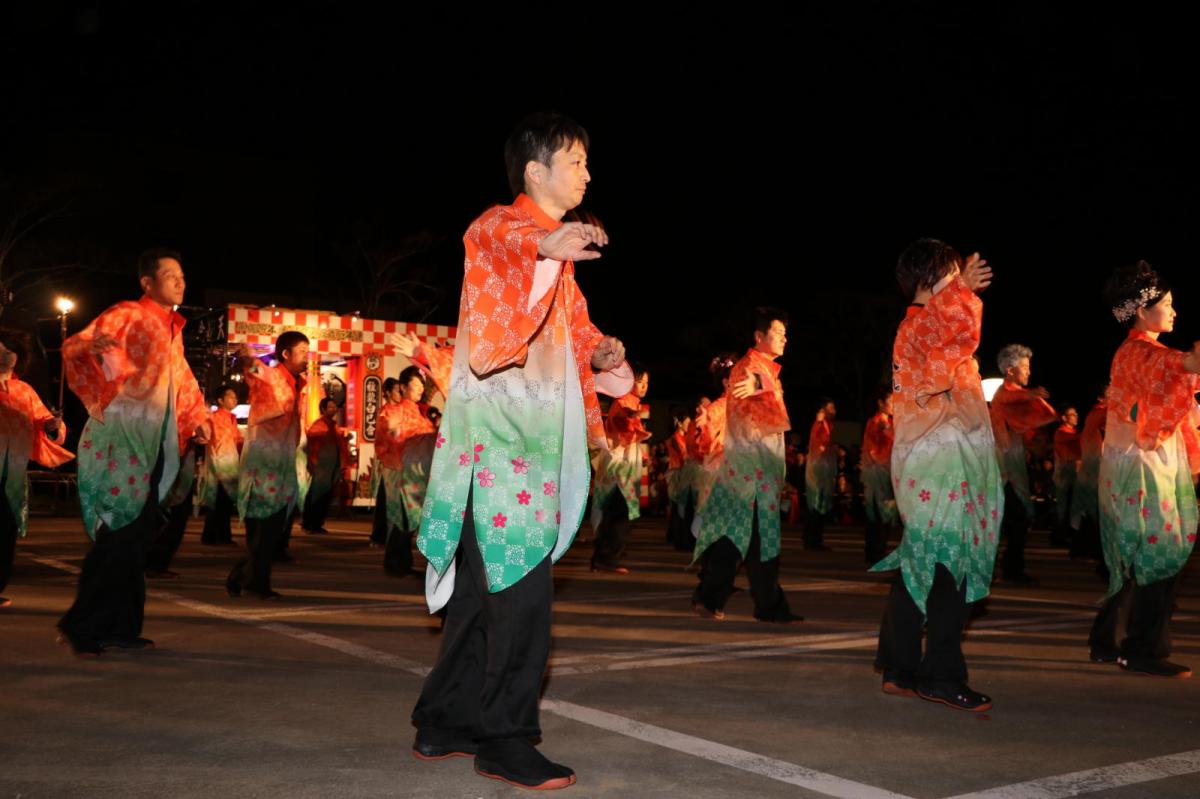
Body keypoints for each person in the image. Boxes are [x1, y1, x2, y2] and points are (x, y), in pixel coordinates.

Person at [410, 112, 629, 790]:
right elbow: (506, 241)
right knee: (523, 596)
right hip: (501, 445)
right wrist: (549, 241)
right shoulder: (499, 228)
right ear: (535, 171)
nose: (588, 173)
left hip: (525, 445)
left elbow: (575, 328)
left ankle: (444, 717)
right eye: (576, 160)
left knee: (483, 592)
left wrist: (601, 352)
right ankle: (505, 736)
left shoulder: (552, 257)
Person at [57, 249, 209, 656]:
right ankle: (82, 622)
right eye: (170, 274)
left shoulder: (172, 329)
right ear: (147, 283)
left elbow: (183, 380)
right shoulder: (127, 313)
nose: (180, 280)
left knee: (137, 534)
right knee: (121, 533)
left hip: (155, 440)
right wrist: (96, 347)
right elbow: (77, 347)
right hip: (123, 436)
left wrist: (198, 417)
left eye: (182, 274)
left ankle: (121, 625)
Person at [872, 238, 1001, 712]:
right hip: (940, 461)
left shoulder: (924, 326)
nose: (957, 285)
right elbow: (938, 340)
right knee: (950, 564)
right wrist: (961, 291)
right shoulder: (919, 326)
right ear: (930, 280)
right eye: (948, 276)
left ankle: (900, 666)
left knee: (922, 559)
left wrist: (958, 293)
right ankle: (940, 676)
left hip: (937, 460)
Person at [1088, 260, 1200, 679]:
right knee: (1161, 553)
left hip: (1135, 462)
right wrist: (1190, 365)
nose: (1174, 312)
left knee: (1132, 556)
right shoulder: (1140, 351)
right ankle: (1142, 649)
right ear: (1141, 310)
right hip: (1145, 466)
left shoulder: (1136, 352)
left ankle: (1105, 642)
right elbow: (1172, 369)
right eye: (1167, 305)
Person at [691, 308, 801, 625]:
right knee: (751, 539)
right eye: (778, 332)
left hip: (757, 472)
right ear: (759, 336)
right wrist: (759, 383)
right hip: (749, 473)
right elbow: (749, 397)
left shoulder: (765, 373)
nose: (784, 338)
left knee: (744, 539)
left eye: (784, 333)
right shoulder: (749, 369)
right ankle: (764, 605)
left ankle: (719, 596)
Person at [226, 332, 309, 600]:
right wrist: (247, 357)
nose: (307, 357)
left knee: (274, 527)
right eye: (302, 352)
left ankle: (245, 575)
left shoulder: (299, 385)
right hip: (263, 462)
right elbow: (252, 368)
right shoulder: (271, 377)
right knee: (264, 526)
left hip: (282, 461)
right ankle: (254, 582)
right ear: (285, 354)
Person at [0, 328, 73, 608]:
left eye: (10, 352)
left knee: (6, 531)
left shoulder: (24, 391)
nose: (5, 357)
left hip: (14, 473)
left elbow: (45, 422)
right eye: (0, 351)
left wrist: (54, 427)